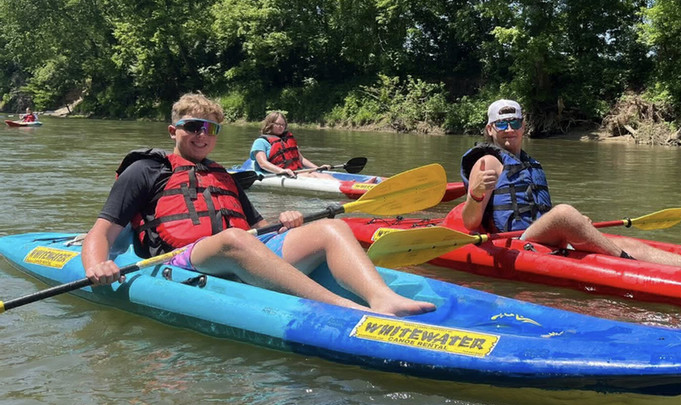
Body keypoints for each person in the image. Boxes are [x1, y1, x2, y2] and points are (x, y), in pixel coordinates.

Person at [82, 92, 434, 316]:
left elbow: (260, 227)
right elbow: (101, 232)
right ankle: (343, 309)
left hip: (240, 251)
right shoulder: (146, 170)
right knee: (237, 240)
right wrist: (96, 265)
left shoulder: (222, 176)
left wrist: (286, 220)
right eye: (193, 127)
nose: (203, 135)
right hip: (184, 260)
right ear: (173, 130)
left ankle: (382, 297)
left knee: (331, 227)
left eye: (211, 129)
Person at [460, 99, 681, 275]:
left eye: (515, 123)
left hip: (540, 236)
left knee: (624, 240)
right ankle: (632, 270)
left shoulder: (528, 160)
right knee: (567, 214)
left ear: (524, 126)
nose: (510, 129)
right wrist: (475, 194)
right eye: (502, 124)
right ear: (491, 129)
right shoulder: (488, 162)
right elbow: (470, 223)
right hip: (514, 242)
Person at [249, 111, 328, 178]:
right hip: (276, 173)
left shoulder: (287, 140)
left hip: (295, 171)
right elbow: (263, 163)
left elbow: (301, 159)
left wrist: (317, 168)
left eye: (283, 125)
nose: (281, 127)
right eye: (278, 124)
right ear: (270, 124)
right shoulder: (260, 142)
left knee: (325, 176)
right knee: (312, 176)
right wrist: (281, 171)